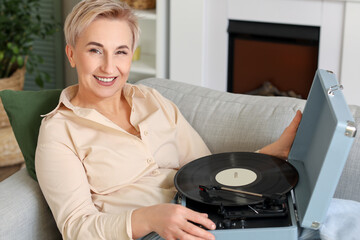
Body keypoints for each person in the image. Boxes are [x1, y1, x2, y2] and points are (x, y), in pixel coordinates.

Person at [35, 0, 302, 239]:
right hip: (151, 234)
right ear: (71, 54)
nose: (108, 66)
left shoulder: (151, 99)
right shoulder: (59, 131)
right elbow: (76, 227)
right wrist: (149, 218)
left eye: (121, 52)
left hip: (205, 216)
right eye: (95, 50)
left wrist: (267, 157)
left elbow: (203, 172)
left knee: (327, 219)